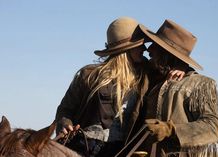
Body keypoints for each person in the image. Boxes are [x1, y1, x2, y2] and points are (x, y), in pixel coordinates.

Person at [55, 17, 151, 157]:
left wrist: (181, 68)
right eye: (139, 44)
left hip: (124, 151)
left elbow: (172, 69)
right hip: (85, 148)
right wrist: (64, 123)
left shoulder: (146, 75)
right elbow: (65, 109)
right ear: (127, 49)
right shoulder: (89, 75)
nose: (144, 48)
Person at [137, 19, 218, 156]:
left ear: (167, 54)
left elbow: (213, 127)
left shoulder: (201, 84)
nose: (149, 49)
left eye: (155, 45)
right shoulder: (150, 79)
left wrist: (170, 129)